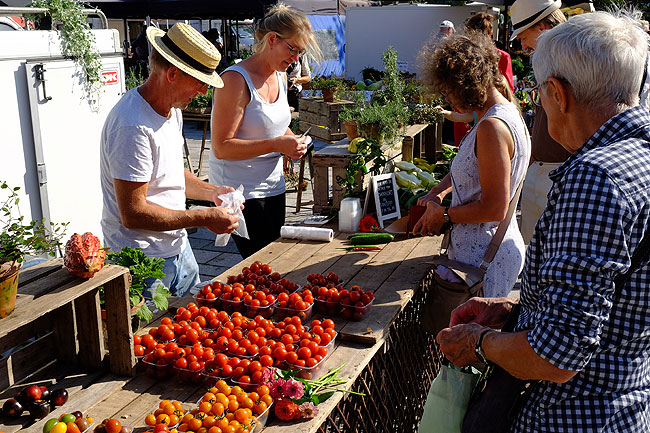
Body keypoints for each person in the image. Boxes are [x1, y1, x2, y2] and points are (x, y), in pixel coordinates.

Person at [437, 11, 650, 432]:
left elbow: (559, 355)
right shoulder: (639, 157)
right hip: (626, 405)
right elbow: (609, 305)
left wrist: (480, 343)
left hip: (569, 416)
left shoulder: (596, 176)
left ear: (558, 93)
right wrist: (517, 308)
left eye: (539, 93)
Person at [100, 23, 240, 297]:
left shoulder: (171, 110)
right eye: (200, 82)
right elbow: (133, 213)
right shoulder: (132, 125)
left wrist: (214, 193)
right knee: (148, 337)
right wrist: (203, 217)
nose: (203, 92)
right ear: (173, 74)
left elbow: (172, 174)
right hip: (142, 262)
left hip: (178, 249)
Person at [413, 34, 530, 298]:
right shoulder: (505, 111)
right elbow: (474, 169)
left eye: (448, 89)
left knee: (468, 337)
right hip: (486, 254)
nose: (447, 97)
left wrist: (443, 215)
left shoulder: (492, 127)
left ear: (465, 84)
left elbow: (494, 208)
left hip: (482, 262)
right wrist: (439, 192)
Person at [209, 4, 319, 259]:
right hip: (240, 193)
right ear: (272, 39)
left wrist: (293, 140)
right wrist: (277, 145)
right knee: (260, 267)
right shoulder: (235, 80)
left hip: (273, 188)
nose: (295, 60)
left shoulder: (279, 75)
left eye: (300, 53)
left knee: (272, 262)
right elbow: (222, 146)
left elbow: (275, 126)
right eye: (293, 49)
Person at [509, 0, 571, 245]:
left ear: (543, 27)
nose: (522, 46)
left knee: (546, 252)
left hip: (559, 171)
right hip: (542, 167)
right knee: (532, 251)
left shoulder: (569, 59)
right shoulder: (548, 58)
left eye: (524, 37)